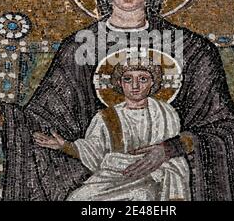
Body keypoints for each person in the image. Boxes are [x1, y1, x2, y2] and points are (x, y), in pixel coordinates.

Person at [0, 0, 234, 201]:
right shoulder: (78, 47)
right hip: (101, 174)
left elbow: (223, 128)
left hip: (167, 178)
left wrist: (170, 148)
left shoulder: (192, 48)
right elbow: (40, 125)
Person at [33, 57, 191, 201]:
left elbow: (172, 156)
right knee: (77, 198)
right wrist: (66, 146)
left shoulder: (165, 114)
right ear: (120, 83)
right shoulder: (107, 117)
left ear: (153, 83)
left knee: (141, 196)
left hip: (149, 175)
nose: (135, 86)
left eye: (143, 79)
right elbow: (94, 151)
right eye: (128, 79)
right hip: (112, 175)